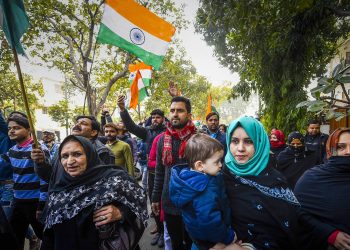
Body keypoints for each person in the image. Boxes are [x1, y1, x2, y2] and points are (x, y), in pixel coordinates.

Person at [41, 135, 148, 249]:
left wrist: (121, 212)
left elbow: (139, 201)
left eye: (77, 154)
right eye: (65, 156)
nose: (70, 161)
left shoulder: (114, 180)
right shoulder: (58, 189)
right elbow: (49, 235)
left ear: (90, 154)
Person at [223, 116, 300, 250]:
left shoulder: (275, 181)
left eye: (248, 141)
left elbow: (286, 230)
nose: (240, 148)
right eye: (235, 141)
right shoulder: (219, 175)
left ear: (259, 143)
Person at [169, 134, 237, 249]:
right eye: (217, 162)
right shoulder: (204, 188)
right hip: (214, 239)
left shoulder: (188, 178)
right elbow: (210, 221)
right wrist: (227, 237)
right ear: (200, 165)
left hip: (198, 238)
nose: (221, 165)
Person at [117, 96, 167, 245]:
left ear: (164, 119)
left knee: (166, 203)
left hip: (167, 173)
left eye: (158, 117)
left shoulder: (169, 131)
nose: (155, 119)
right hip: (152, 173)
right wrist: (122, 110)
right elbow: (131, 126)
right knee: (154, 202)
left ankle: (166, 231)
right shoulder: (147, 132)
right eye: (153, 117)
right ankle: (159, 229)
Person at [151, 96, 196, 250]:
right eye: (172, 110)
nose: (175, 114)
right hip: (169, 201)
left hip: (194, 203)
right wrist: (156, 197)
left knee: (193, 243)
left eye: (180, 110)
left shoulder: (199, 139)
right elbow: (159, 171)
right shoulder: (163, 140)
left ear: (189, 115)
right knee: (176, 243)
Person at [294, 128, 350, 250]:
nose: (348, 152)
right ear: (331, 150)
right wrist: (329, 234)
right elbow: (297, 211)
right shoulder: (312, 178)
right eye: (341, 147)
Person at [0, 115, 49, 249]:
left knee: (45, 236)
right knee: (14, 237)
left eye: (17, 128)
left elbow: (45, 179)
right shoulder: (12, 151)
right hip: (17, 200)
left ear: (29, 130)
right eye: (10, 128)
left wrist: (41, 205)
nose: (11, 131)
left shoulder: (39, 150)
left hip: (35, 202)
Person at [32, 115, 115, 182]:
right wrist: (40, 163)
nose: (77, 125)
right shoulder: (63, 148)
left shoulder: (103, 152)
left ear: (93, 132)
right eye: (77, 123)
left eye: (83, 123)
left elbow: (105, 182)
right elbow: (51, 177)